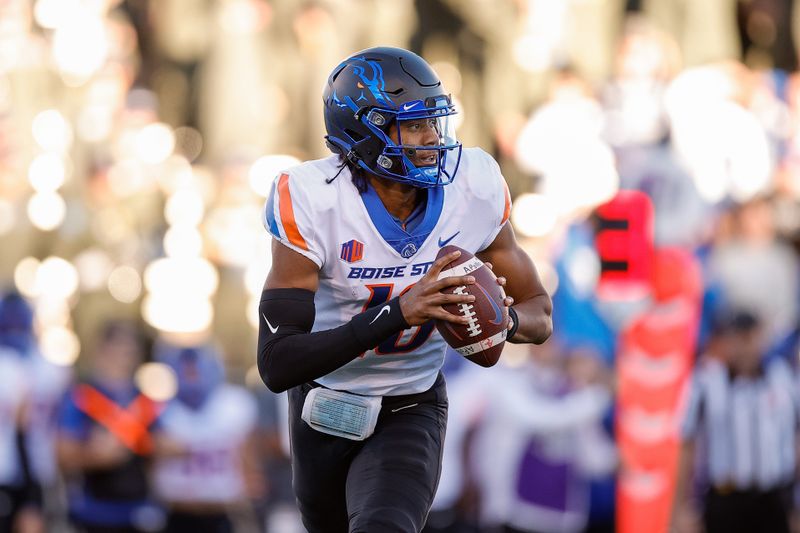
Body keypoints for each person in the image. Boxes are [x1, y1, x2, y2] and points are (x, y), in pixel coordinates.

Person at [256, 46, 552, 533]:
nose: (432, 137)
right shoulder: (313, 197)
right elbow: (277, 361)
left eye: (434, 122)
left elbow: (540, 313)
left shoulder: (472, 186)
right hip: (323, 403)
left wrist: (503, 319)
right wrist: (399, 312)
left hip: (410, 403)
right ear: (364, 132)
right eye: (413, 124)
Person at [672, 309, 799, 533]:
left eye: (748, 338)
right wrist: (681, 507)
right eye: (736, 339)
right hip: (726, 498)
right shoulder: (706, 382)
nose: (743, 347)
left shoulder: (783, 378)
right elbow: (687, 445)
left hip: (773, 497)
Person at [57, 320, 165, 533]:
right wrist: (93, 455)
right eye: (115, 351)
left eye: (128, 352)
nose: (122, 359)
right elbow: (63, 453)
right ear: (101, 352)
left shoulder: (142, 400)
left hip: (138, 510)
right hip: (93, 510)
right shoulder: (81, 397)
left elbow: (160, 445)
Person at [152, 341, 260, 533]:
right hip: (177, 511)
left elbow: (250, 462)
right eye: (186, 369)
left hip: (222, 512)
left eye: (196, 368)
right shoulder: (159, 409)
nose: (192, 376)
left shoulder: (234, 403)